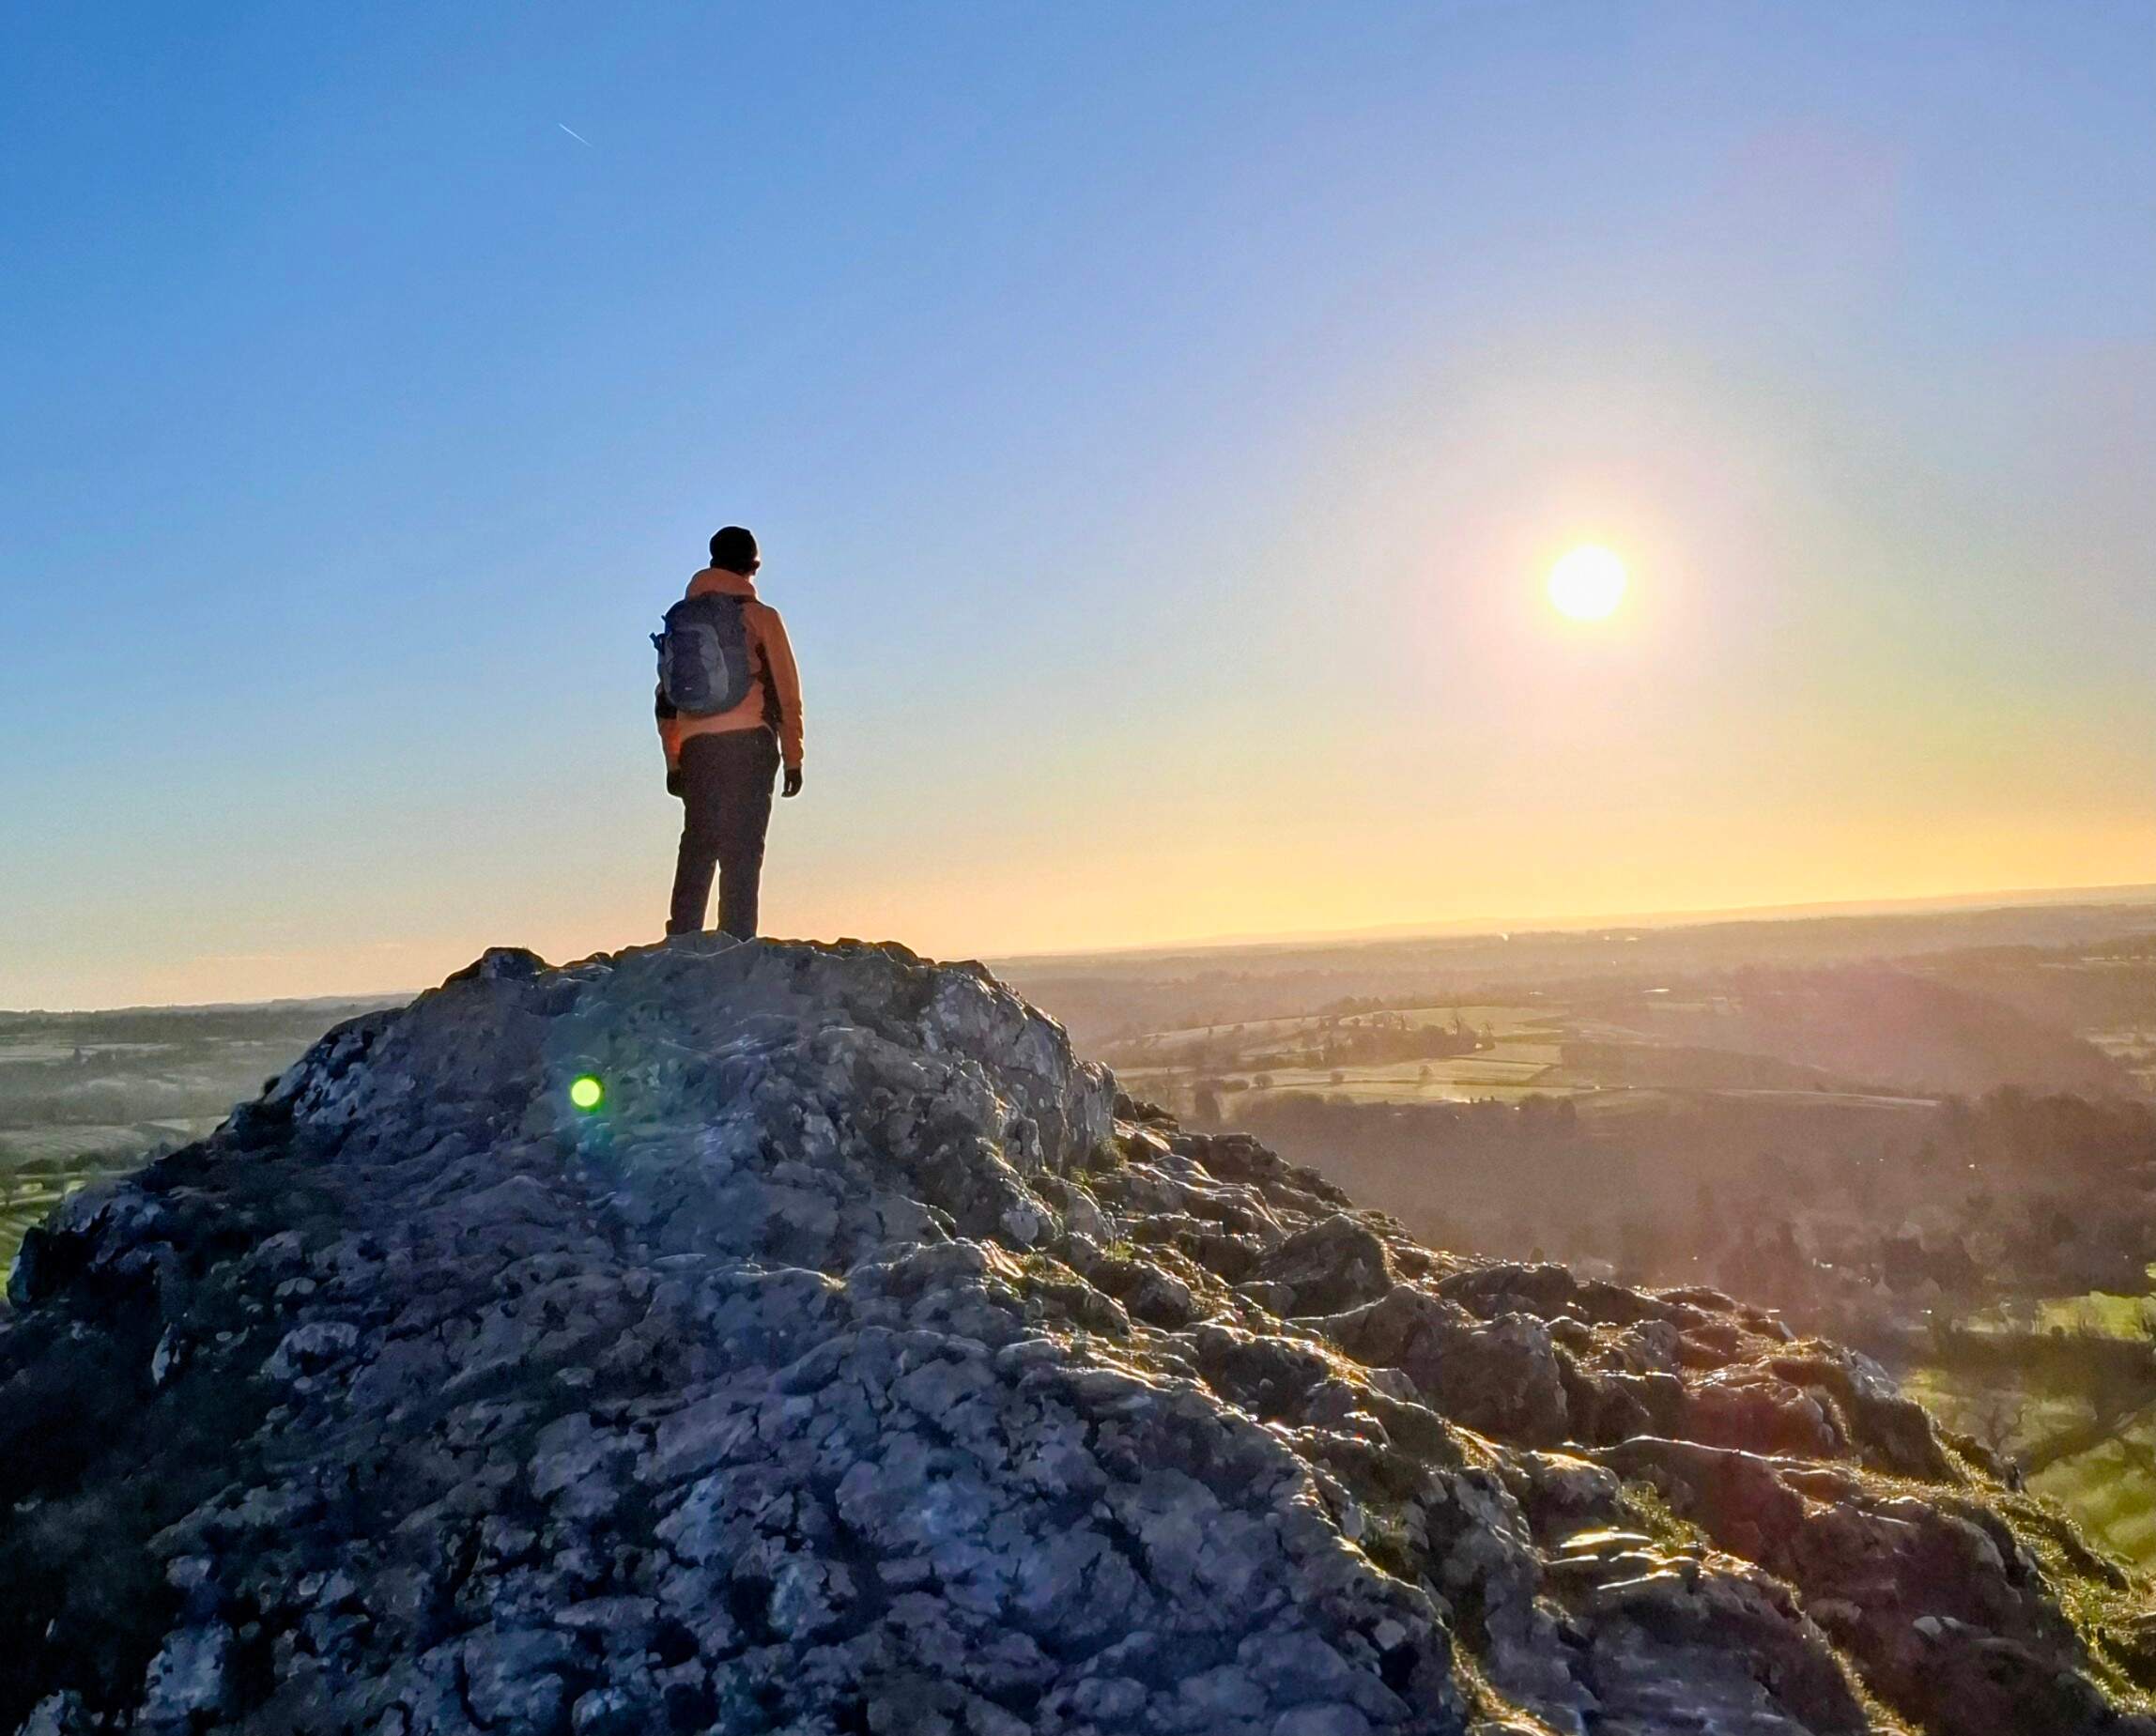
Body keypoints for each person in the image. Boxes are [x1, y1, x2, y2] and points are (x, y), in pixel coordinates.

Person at [654, 526, 805, 939]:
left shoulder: (682, 621)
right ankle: (737, 944)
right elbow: (786, 690)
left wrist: (674, 762)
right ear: (752, 566)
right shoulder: (760, 617)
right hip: (750, 743)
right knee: (743, 849)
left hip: (697, 747)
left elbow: (666, 699)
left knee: (698, 842)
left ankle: (682, 936)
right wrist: (793, 757)